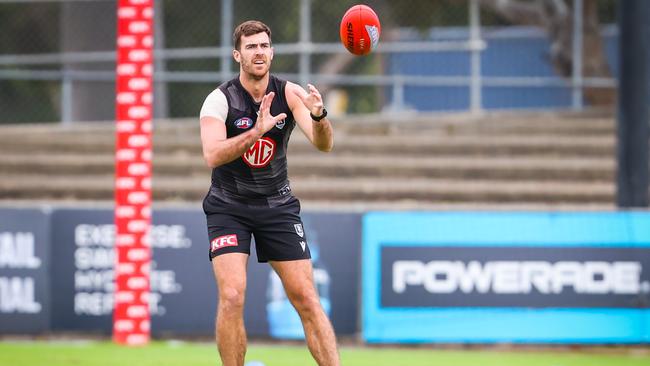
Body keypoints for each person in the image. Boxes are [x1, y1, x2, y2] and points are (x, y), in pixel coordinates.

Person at [198, 20, 339, 366]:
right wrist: (256, 130)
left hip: (278, 205)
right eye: (251, 47)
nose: (258, 52)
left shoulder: (290, 93)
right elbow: (212, 155)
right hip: (228, 207)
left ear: (272, 52)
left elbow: (325, 145)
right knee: (232, 296)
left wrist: (320, 115)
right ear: (237, 55)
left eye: (263, 46)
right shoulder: (219, 100)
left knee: (306, 297)